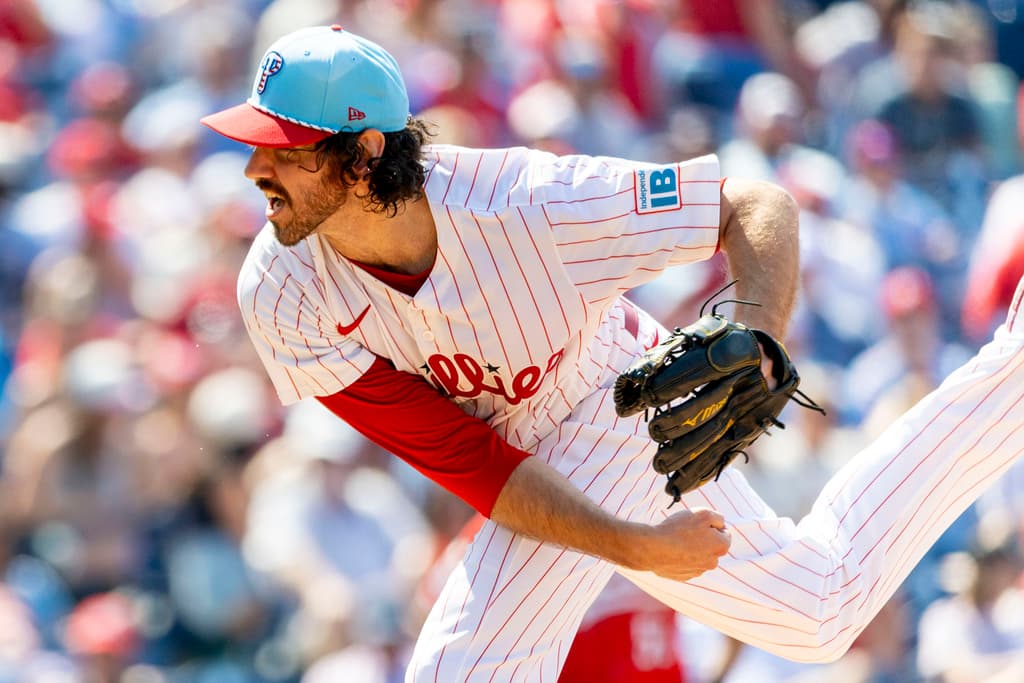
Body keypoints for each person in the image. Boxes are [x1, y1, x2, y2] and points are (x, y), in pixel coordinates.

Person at [200, 24, 1024, 681]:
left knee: (467, 669)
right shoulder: (279, 289)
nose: (254, 167)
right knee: (820, 607)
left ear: (365, 152)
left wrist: (758, 325)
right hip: (522, 457)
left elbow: (751, 200)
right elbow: (470, 461)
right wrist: (627, 542)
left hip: (622, 397)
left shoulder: (527, 205)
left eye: (285, 147)